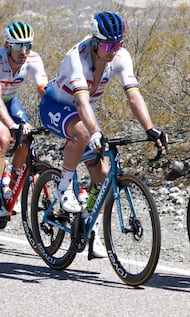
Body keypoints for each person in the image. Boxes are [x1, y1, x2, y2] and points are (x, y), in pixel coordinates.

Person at [39, 12, 166, 258]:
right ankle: (64, 187)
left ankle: (91, 227)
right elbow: (82, 101)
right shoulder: (76, 57)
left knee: (105, 174)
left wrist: (150, 128)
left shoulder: (120, 56)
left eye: (118, 45)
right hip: (56, 106)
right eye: (109, 45)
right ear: (95, 43)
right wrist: (95, 133)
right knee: (84, 133)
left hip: (82, 112)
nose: (114, 51)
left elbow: (133, 95)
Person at [0, 21, 48, 217]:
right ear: (7, 46)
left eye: (28, 45)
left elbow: (44, 92)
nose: (24, 51)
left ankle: (12, 182)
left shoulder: (33, 59)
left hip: (10, 101)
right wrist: (11, 126)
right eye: (19, 46)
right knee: (3, 139)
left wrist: (51, 117)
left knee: (27, 137)